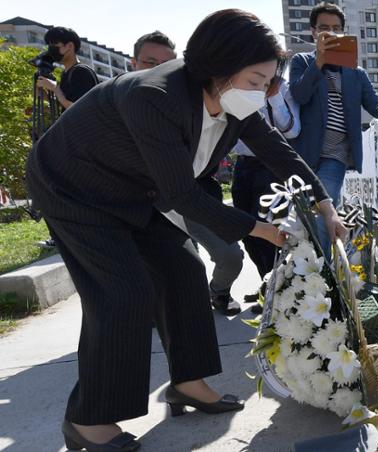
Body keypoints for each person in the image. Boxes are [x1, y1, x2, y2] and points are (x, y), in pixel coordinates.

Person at [26, 9, 345, 451]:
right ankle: (87, 422)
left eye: (268, 83)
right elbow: (184, 196)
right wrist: (261, 229)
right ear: (219, 69)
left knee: (184, 270)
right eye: (256, 81)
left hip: (130, 189)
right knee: (123, 292)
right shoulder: (154, 95)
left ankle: (188, 384)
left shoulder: (234, 99)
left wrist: (323, 202)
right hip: (73, 186)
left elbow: (276, 149)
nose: (262, 94)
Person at [131, 31, 245, 316]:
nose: (158, 70)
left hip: (196, 198)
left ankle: (218, 292)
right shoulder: (121, 105)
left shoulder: (198, 99)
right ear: (133, 63)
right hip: (146, 206)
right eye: (149, 62)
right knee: (180, 269)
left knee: (230, 255)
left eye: (167, 63)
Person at [289, 1, 378, 258]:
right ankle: (302, 278)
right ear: (314, 32)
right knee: (299, 218)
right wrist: (319, 62)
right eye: (325, 28)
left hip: (335, 155)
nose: (332, 33)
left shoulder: (355, 72)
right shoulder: (302, 62)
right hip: (305, 154)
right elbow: (300, 95)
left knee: (322, 213)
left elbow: (374, 101)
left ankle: (324, 275)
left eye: (337, 28)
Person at [232, 76, 301, 310]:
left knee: (269, 230)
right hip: (243, 165)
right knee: (246, 230)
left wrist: (274, 97)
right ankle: (267, 285)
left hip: (271, 166)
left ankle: (276, 291)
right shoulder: (237, 84)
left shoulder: (283, 88)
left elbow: (291, 130)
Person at [35, 26, 99, 249]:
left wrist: (55, 89)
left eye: (55, 45)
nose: (51, 50)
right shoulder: (67, 73)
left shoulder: (82, 72)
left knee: (72, 191)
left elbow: (81, 108)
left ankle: (77, 235)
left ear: (69, 46)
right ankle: (67, 235)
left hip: (85, 143)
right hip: (72, 140)